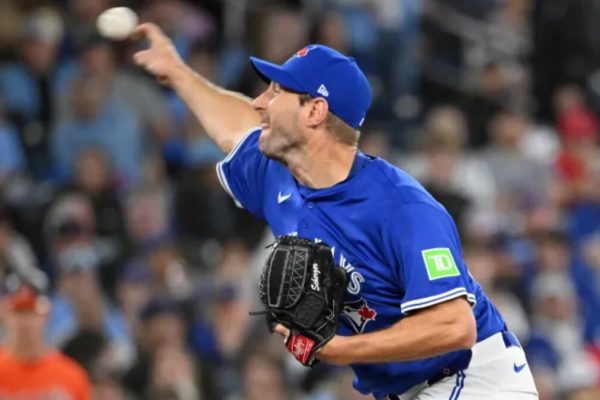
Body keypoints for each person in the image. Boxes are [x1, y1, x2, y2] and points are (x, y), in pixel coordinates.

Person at [133, 23, 539, 400]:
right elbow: (233, 127)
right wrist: (178, 73)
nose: (260, 103)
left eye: (276, 92)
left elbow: (455, 326)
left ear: (314, 111)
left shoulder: (402, 207)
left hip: (474, 378)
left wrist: (339, 348)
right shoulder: (280, 175)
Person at [0, 272, 91, 399]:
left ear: (47, 314)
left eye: (32, 311)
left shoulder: (71, 375)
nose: (25, 322)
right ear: (4, 313)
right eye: (19, 311)